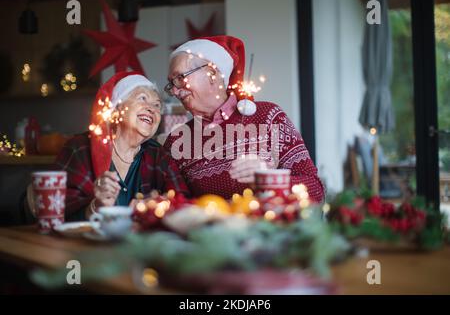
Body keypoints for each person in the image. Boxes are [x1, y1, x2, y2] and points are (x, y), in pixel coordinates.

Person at [163, 36, 325, 202]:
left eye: (180, 78)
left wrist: (269, 180)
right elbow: (175, 204)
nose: (175, 91)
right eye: (171, 84)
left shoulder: (268, 117)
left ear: (211, 73)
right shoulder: (176, 141)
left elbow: (315, 189)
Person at [27, 71, 189, 221]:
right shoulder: (80, 149)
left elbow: (182, 204)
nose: (152, 109)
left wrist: (157, 206)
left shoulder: (159, 155)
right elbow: (55, 211)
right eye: (142, 98)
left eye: (157, 105)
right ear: (116, 108)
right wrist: (96, 206)